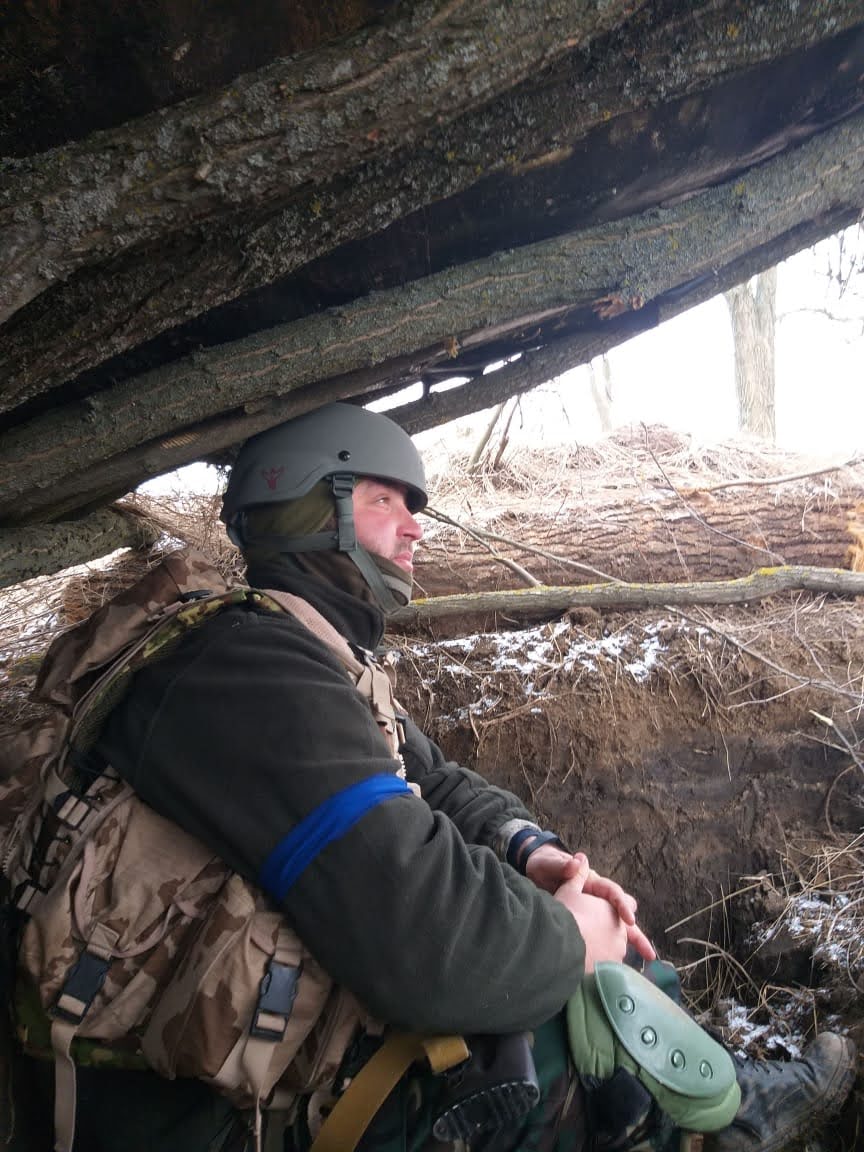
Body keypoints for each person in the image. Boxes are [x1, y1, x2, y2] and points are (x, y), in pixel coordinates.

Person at [14, 403, 855, 1151]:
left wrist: (534, 853)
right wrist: (570, 942)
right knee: (559, 1041)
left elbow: (437, 781)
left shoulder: (297, 651)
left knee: (583, 966)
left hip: (244, 1051)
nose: (415, 528)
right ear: (308, 505)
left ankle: (722, 1099)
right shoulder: (245, 674)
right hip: (188, 1115)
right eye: (385, 501)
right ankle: (718, 1121)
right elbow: (433, 950)